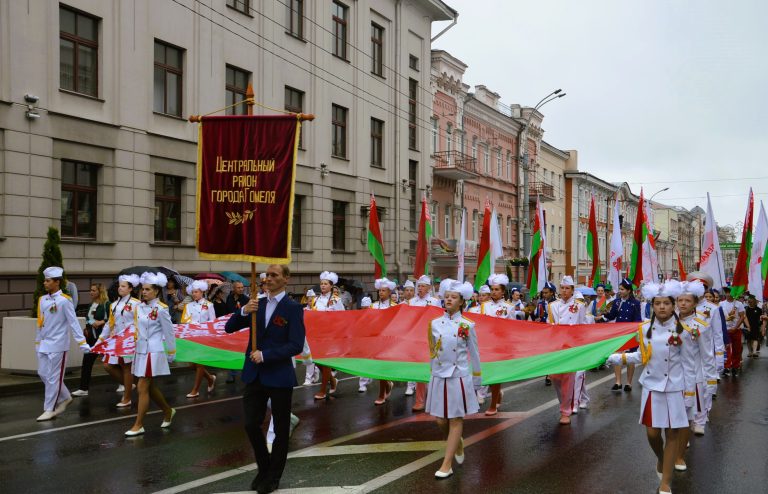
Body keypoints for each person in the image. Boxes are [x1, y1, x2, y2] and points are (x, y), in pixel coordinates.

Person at [224, 264, 305, 494]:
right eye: (266, 275)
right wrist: (243, 311)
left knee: (280, 429)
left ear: (286, 279)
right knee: (251, 424)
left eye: (274, 275)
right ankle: (264, 466)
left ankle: (273, 477)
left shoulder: (292, 308)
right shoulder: (255, 303)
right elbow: (229, 328)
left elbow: (296, 345)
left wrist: (266, 354)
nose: (267, 279)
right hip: (254, 374)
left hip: (279, 376)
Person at [607, 281, 688, 494]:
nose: (662, 307)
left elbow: (690, 363)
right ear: (652, 306)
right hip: (652, 387)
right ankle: (661, 458)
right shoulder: (644, 329)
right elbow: (641, 356)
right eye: (657, 303)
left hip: (675, 388)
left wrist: (692, 391)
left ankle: (666, 483)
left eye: (666, 303)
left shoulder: (685, 330)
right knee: (652, 434)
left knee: (671, 435)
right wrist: (613, 358)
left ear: (674, 306)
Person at [427, 279, 481, 479]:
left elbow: (474, 353)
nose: (449, 300)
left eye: (454, 297)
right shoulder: (433, 324)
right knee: (440, 421)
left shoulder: (467, 325)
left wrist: (477, 379)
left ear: (462, 302)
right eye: (447, 296)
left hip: (458, 376)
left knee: (456, 419)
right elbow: (432, 352)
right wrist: (431, 374)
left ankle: (446, 464)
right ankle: (457, 443)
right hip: (439, 375)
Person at [34, 267, 90, 421]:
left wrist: (82, 343)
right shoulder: (42, 299)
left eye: (48, 280)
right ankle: (65, 397)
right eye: (44, 280)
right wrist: (37, 341)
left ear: (57, 282)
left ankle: (49, 409)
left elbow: (73, 323)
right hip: (44, 343)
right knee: (43, 373)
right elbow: (40, 323)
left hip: (59, 344)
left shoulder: (65, 300)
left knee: (53, 378)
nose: (45, 283)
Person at [124, 272, 176, 436]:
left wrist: (171, 352)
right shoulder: (138, 307)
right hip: (140, 351)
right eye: (143, 289)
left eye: (147, 289)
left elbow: (169, 333)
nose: (143, 292)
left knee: (142, 386)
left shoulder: (161, 309)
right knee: (149, 387)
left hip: (154, 351)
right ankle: (168, 411)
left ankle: (139, 424)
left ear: (156, 291)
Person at [674, 280, 714, 472]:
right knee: (672, 415)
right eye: (679, 300)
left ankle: (680, 450)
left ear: (695, 303)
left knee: (687, 416)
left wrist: (710, 382)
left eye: (687, 300)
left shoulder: (700, 325)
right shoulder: (669, 322)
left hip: (691, 377)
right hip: (671, 377)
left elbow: (707, 355)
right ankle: (676, 444)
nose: (682, 303)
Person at [547, 275, 587, 425]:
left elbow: (582, 326)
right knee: (555, 378)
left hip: (571, 347)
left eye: (567, 288)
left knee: (568, 380)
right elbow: (549, 326)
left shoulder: (579, 306)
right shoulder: (552, 306)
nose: (564, 291)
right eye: (562, 288)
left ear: (572, 290)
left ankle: (565, 411)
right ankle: (563, 404)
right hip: (556, 347)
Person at [97, 274, 140, 406]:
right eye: (119, 286)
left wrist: (135, 338)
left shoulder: (136, 304)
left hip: (129, 341)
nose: (120, 288)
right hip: (116, 340)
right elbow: (110, 324)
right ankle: (129, 385)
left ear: (130, 289)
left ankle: (127, 398)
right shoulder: (114, 304)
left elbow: (139, 323)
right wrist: (100, 340)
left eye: (123, 286)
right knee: (108, 366)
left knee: (126, 367)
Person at [479, 273, 515, 416]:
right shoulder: (484, 306)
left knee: (495, 374)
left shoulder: (509, 307)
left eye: (496, 289)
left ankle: (493, 404)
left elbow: (512, 327)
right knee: (487, 374)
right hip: (487, 344)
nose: (493, 292)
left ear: (503, 291)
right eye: (492, 289)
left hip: (501, 346)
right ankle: (497, 392)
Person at [598, 278, 642, 392]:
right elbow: (612, 315)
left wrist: (636, 331)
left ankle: (629, 383)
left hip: (631, 334)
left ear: (628, 290)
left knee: (629, 358)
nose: (620, 291)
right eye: (620, 289)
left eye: (622, 289)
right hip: (619, 334)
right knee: (616, 356)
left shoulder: (635, 303)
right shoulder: (617, 302)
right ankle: (618, 382)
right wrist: (601, 318)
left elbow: (638, 320)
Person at [309, 271, 345, 400]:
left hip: (330, 335)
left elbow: (342, 317)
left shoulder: (336, 300)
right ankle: (332, 380)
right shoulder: (315, 299)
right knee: (316, 360)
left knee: (326, 362)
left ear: (331, 286)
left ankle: (323, 390)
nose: (323, 286)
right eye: (321, 284)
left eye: (325, 284)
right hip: (317, 334)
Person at [406, 275, 440, 405]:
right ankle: (417, 396)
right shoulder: (411, 302)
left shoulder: (434, 301)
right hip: (414, 337)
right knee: (415, 365)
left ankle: (429, 396)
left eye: (422, 286)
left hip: (428, 337)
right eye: (418, 286)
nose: (420, 288)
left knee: (428, 366)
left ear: (429, 288)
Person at [71, 283, 110, 397]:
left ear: (100, 292)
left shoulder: (107, 304)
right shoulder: (91, 304)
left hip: (103, 337)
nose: (91, 292)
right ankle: (83, 388)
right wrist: (87, 327)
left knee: (112, 363)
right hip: (91, 337)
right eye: (91, 290)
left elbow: (111, 319)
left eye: (93, 290)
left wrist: (101, 322)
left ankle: (124, 383)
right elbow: (88, 318)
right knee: (87, 361)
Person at [183, 280, 218, 398]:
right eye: (193, 292)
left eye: (196, 292)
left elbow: (213, 321)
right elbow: (184, 320)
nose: (194, 294)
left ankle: (195, 389)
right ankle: (210, 378)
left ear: (202, 292)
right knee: (191, 364)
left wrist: (211, 336)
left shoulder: (209, 305)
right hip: (192, 336)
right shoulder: (188, 306)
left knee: (199, 364)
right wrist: (192, 323)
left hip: (204, 337)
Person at [369, 278, 397, 405]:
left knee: (384, 367)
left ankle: (382, 394)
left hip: (390, 340)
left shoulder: (396, 307)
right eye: (379, 290)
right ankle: (387, 385)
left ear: (389, 292)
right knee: (378, 367)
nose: (381, 293)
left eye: (383, 290)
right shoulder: (374, 306)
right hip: (377, 339)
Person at [224, 281, 251, 383]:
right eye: (238, 287)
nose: (241, 289)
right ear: (234, 289)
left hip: (242, 329)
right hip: (232, 328)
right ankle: (231, 373)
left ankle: (245, 372)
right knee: (231, 351)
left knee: (242, 351)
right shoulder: (229, 298)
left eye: (242, 287)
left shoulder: (246, 299)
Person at [720, 286, 745, 376]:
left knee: (736, 349)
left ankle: (735, 367)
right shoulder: (721, 304)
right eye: (726, 291)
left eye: (730, 291)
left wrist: (735, 327)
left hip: (736, 330)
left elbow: (742, 316)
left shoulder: (739, 304)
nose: (728, 293)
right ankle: (726, 367)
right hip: (725, 330)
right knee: (726, 349)